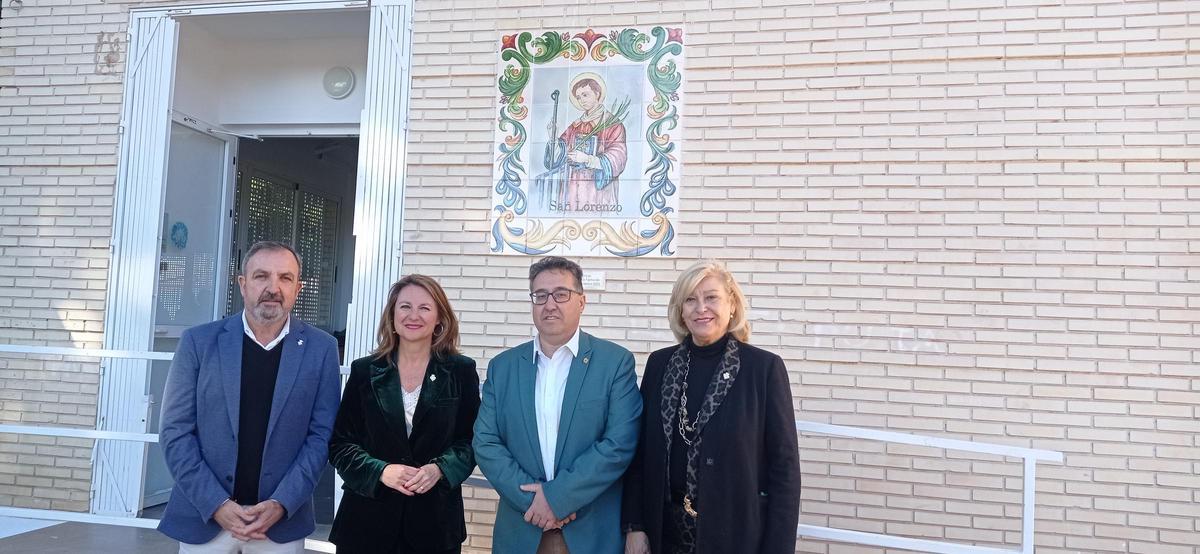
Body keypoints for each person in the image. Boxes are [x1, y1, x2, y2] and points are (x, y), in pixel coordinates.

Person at [158, 240, 342, 553]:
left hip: (280, 523)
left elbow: (321, 436)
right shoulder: (199, 342)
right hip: (206, 519)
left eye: (285, 278)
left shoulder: (321, 348)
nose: (274, 287)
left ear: (298, 288)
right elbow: (175, 431)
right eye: (261, 276)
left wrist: (282, 503)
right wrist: (216, 504)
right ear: (243, 284)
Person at [621, 260, 801, 554]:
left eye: (711, 297)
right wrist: (635, 525)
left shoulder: (763, 369)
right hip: (664, 534)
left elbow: (785, 470)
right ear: (680, 310)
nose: (700, 308)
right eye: (690, 299)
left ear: (732, 305)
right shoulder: (659, 364)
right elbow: (639, 454)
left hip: (735, 535)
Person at [474, 256, 642, 553]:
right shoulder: (503, 368)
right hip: (523, 528)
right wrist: (534, 502)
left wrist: (557, 497)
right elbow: (486, 443)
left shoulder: (614, 363)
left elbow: (619, 443)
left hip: (591, 531)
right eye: (540, 295)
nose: (550, 304)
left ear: (582, 301)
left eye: (561, 294)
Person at [327, 274, 480, 553]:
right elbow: (340, 445)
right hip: (365, 524)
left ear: (439, 319)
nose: (414, 315)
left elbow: (471, 441)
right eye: (405, 306)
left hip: (434, 525)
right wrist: (381, 472)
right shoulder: (364, 371)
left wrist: (440, 469)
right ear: (393, 316)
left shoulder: (461, 371)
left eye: (424, 308)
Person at [534, 73, 629, 214]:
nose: (581, 101)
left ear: (597, 93)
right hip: (572, 186)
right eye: (578, 97)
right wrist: (553, 138)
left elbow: (618, 156)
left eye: (585, 95)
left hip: (597, 191)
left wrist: (588, 159)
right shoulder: (576, 125)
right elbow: (558, 156)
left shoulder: (612, 124)